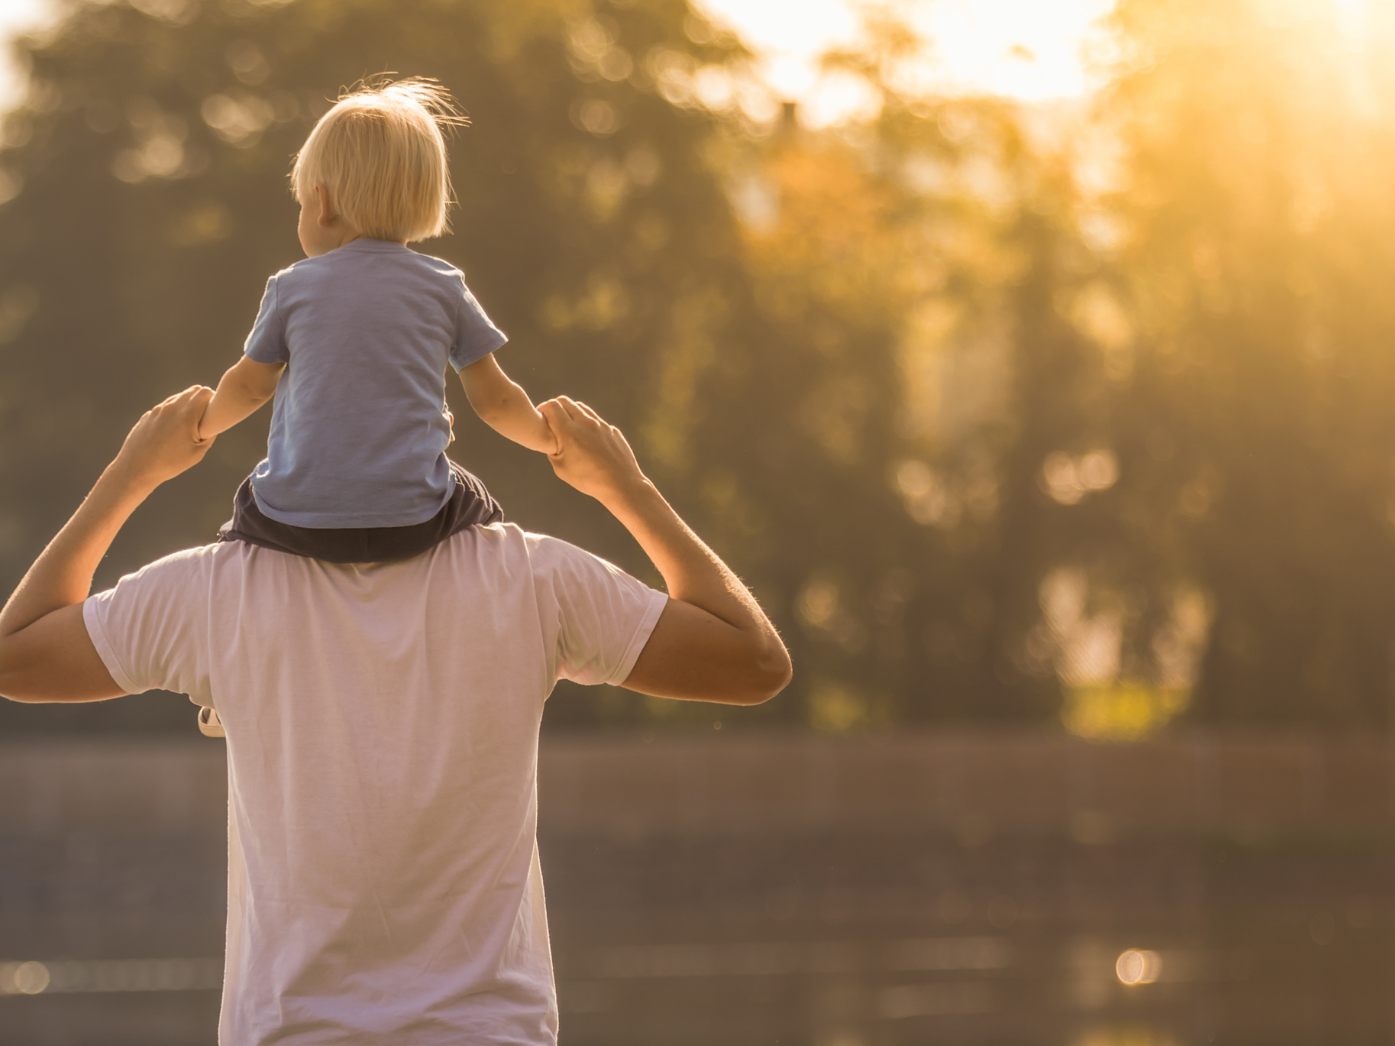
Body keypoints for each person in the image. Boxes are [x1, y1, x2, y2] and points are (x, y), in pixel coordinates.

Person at [0, 386, 792, 1045]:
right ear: (441, 438)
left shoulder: (214, 592)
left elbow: (16, 658)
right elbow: (752, 662)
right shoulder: (530, 578)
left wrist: (132, 473)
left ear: (286, 435)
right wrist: (624, 486)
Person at [197, 76, 551, 568]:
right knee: (478, 501)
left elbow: (250, 388)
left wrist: (200, 425)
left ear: (320, 204)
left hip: (295, 521)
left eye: (300, 204)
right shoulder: (444, 286)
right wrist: (548, 437)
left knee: (246, 505)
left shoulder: (291, 287)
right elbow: (496, 401)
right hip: (414, 522)